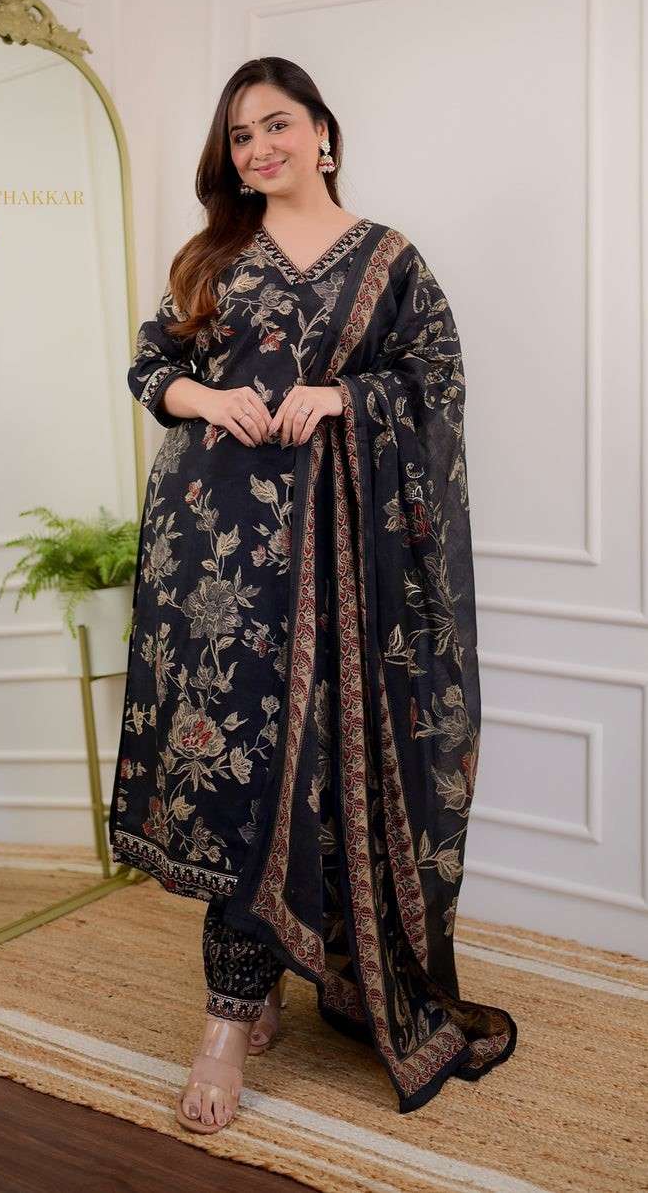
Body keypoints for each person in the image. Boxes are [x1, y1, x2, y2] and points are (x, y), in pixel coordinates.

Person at [108, 56, 517, 1133]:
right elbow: (149, 365)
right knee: (236, 776)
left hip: (342, 571)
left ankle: (259, 996)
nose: (259, 149)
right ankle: (229, 1012)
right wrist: (206, 397)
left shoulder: (388, 260)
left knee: (313, 772)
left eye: (277, 125)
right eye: (241, 135)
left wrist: (342, 397)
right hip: (216, 565)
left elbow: (436, 384)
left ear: (323, 133)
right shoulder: (214, 256)